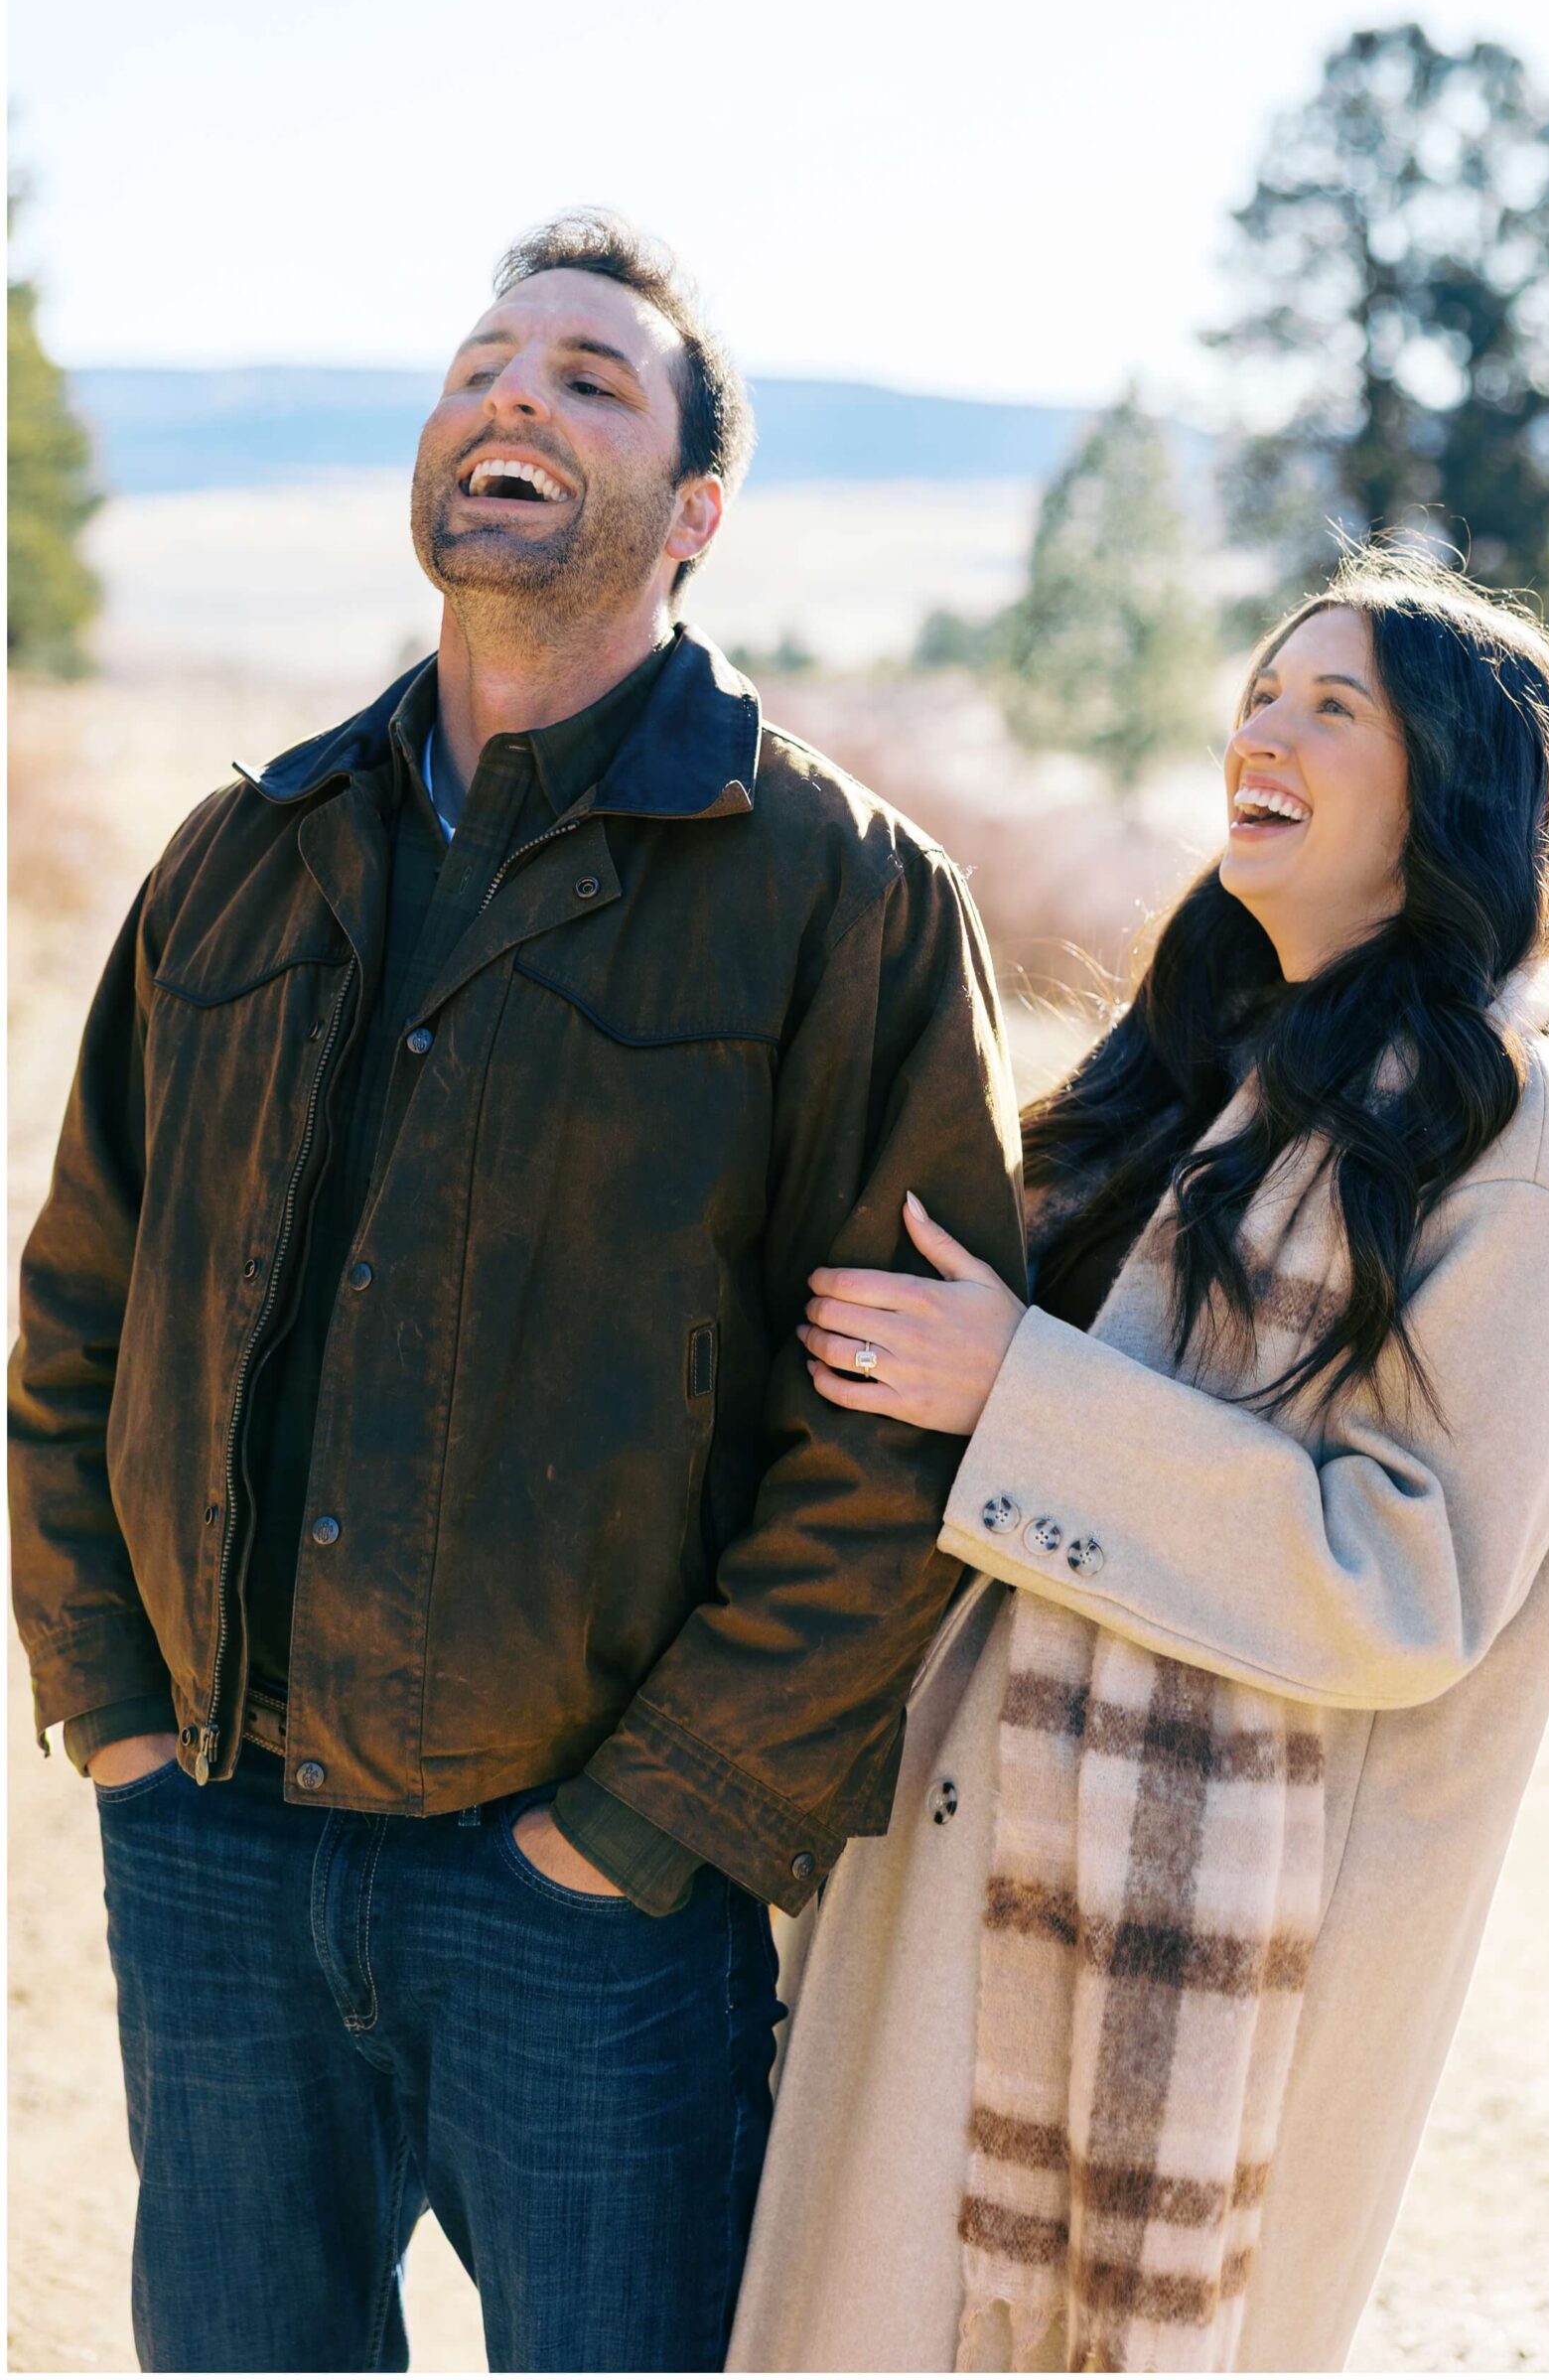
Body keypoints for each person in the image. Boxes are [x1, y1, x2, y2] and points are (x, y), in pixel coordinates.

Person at [8, 209, 1026, 2375]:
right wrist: (110, 1702)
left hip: (587, 1905)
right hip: (210, 1847)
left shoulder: (839, 895)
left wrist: (643, 1822)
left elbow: (897, 1434)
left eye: (587, 378)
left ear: (694, 515)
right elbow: (79, 1306)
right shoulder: (246, 850)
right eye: (481, 360)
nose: (509, 395)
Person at [728, 548, 1549, 2374]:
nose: (1261, 730)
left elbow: (1408, 1578)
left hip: (1190, 1966)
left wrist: (1020, 1395)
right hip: (948, 1886)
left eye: (1332, 705)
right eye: (1257, 694)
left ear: (1449, 784)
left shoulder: (1505, 1142)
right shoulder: (1195, 1069)